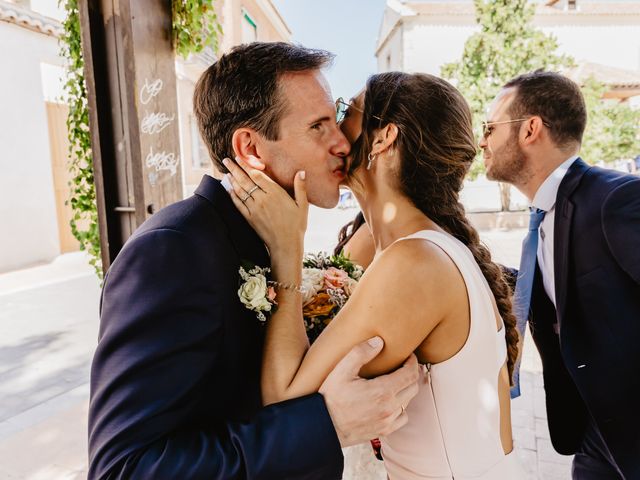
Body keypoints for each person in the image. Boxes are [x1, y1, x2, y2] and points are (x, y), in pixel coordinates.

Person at [87, 42, 421, 479]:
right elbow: (123, 469)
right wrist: (327, 423)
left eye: (335, 119)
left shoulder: (273, 233)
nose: (343, 142)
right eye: (318, 126)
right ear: (250, 147)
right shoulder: (174, 249)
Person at [224, 71, 526, 479]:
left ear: (383, 138)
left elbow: (286, 406)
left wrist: (286, 250)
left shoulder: (416, 263)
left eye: (345, 111)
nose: (335, 128)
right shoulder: (384, 241)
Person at [479, 70, 640, 479]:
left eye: (490, 127)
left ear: (530, 129)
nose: (482, 140)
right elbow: (553, 287)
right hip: (589, 435)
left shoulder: (615, 199)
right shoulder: (542, 217)